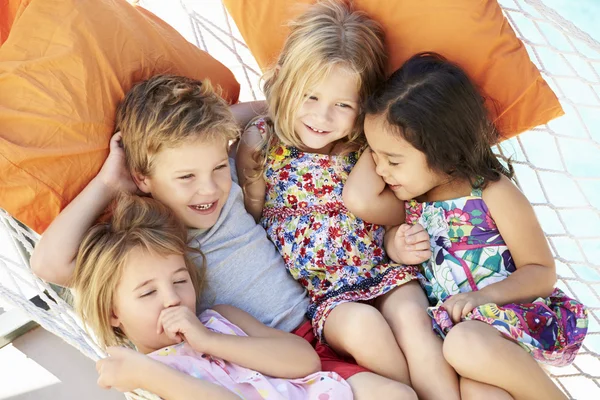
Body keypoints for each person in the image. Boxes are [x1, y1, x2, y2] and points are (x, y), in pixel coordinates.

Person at [31, 73, 414, 399]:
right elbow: (48, 263)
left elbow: (242, 125)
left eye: (216, 167)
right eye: (185, 178)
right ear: (143, 178)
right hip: (247, 359)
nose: (208, 189)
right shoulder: (154, 242)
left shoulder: (228, 181)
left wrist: (261, 107)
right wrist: (108, 182)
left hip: (316, 324)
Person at [236, 2, 457, 398]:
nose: (322, 117)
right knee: (363, 328)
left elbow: (393, 212)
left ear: (363, 105)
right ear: (286, 84)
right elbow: (250, 220)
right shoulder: (261, 141)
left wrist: (395, 243)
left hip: (381, 268)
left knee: (412, 321)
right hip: (324, 296)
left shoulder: (367, 146)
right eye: (310, 97)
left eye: (342, 105)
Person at [345, 51, 588, 400]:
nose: (381, 170)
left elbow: (541, 272)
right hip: (462, 350)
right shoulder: (411, 204)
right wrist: (395, 245)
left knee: (463, 345)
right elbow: (360, 200)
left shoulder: (491, 192)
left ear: (444, 150)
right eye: (374, 155)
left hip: (507, 325)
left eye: (393, 160)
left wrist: (482, 298)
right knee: (478, 392)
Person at [71, 193, 351, 399]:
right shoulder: (143, 379)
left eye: (180, 280)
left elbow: (305, 361)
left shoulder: (221, 320)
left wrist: (210, 340)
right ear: (112, 313)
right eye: (148, 292)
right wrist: (148, 374)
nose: (172, 299)